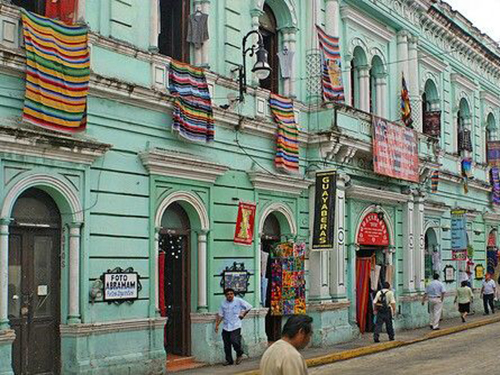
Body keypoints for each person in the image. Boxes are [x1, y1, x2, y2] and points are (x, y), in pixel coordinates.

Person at [215, 288, 252, 366]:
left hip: (236, 325)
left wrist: (243, 315)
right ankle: (229, 360)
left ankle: (239, 353)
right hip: (226, 326)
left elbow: (249, 307)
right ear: (225, 296)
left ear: (233, 294)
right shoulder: (223, 303)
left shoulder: (238, 301)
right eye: (228, 294)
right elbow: (221, 315)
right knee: (226, 345)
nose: (230, 295)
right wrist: (217, 325)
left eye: (231, 294)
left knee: (234, 340)